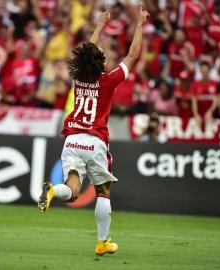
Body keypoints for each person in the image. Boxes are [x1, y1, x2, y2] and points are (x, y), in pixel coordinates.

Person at [38, 5, 150, 256]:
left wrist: (99, 25)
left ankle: (54, 190)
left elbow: (87, 52)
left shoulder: (78, 79)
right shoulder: (108, 81)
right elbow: (132, 55)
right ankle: (102, 243)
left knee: (73, 190)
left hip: (72, 140)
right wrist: (140, 25)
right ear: (100, 61)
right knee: (103, 191)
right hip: (95, 141)